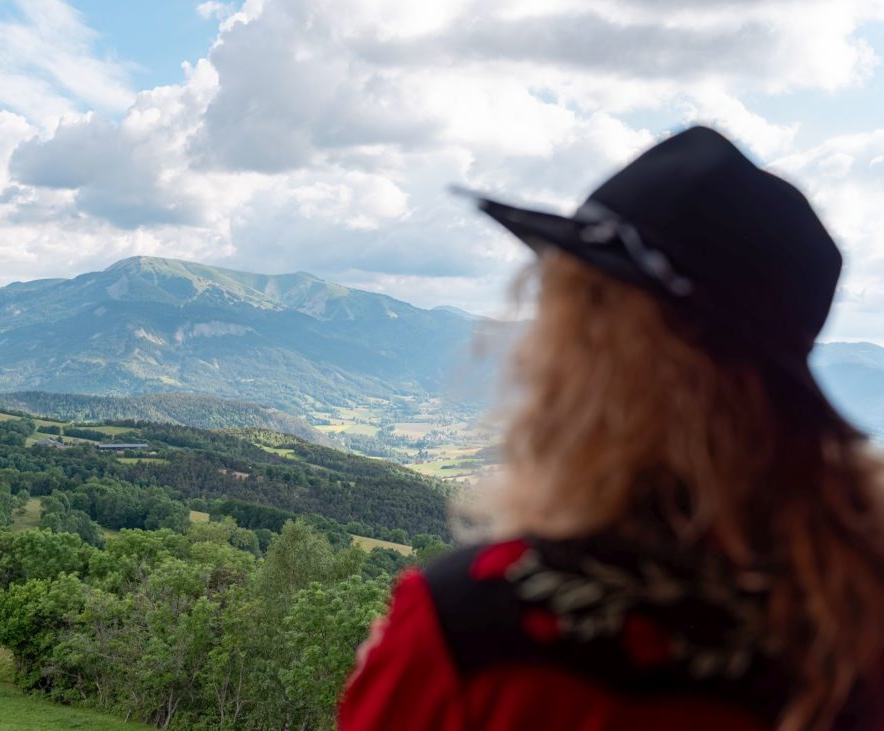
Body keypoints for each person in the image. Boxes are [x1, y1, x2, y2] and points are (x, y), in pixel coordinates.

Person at [337, 127, 884, 731]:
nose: (528, 353)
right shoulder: (854, 622)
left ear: (602, 361)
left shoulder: (473, 633)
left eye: (558, 311)